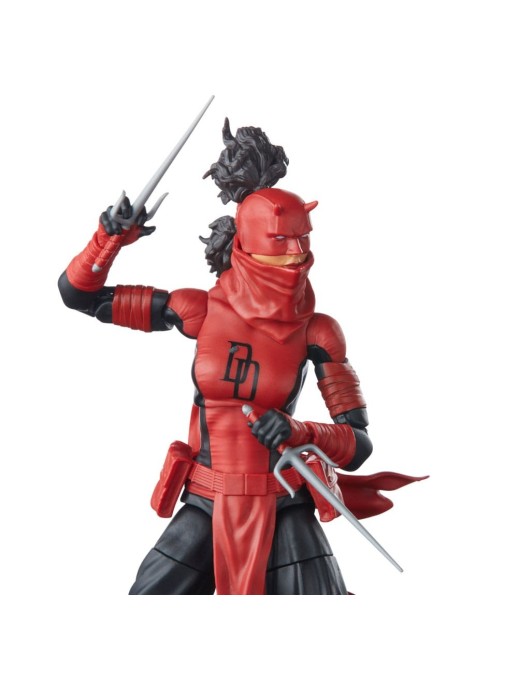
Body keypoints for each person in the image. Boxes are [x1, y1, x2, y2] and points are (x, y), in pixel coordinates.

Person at [59, 119, 411, 595]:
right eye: (281, 240)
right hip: (206, 499)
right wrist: (109, 239)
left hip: (282, 500)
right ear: (248, 240)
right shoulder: (199, 310)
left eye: (303, 238)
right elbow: (81, 297)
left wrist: (299, 431)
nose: (297, 253)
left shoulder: (319, 331)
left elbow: (358, 446)